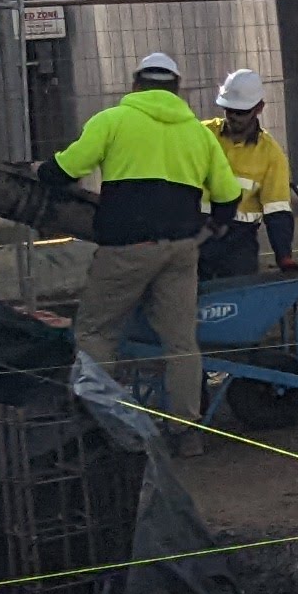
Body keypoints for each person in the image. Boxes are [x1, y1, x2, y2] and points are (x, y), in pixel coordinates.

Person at [52, 50, 243, 421]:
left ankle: (100, 422)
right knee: (181, 343)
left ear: (135, 84)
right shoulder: (197, 135)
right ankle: (186, 428)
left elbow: (69, 167)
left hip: (126, 248)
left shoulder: (113, 121)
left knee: (96, 331)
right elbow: (228, 196)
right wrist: (213, 228)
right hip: (181, 251)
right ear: (177, 89)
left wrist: (44, 171)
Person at [204, 68, 298, 280]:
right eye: (228, 110)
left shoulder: (271, 154)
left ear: (259, 108)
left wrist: (284, 256)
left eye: (240, 112)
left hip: (239, 243)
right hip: (198, 235)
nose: (233, 117)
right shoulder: (203, 135)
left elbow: (277, 210)